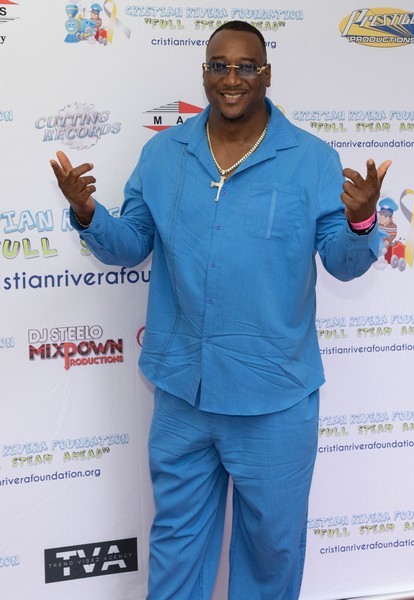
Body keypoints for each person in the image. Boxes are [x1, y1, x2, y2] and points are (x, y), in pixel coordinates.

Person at [50, 20, 391, 600]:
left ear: (266, 74)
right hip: (183, 395)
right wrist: (88, 215)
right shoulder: (163, 154)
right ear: (204, 73)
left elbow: (342, 261)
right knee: (176, 551)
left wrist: (361, 223)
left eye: (245, 66)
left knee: (271, 557)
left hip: (274, 400)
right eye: (219, 66)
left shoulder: (312, 160)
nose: (231, 79)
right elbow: (131, 243)